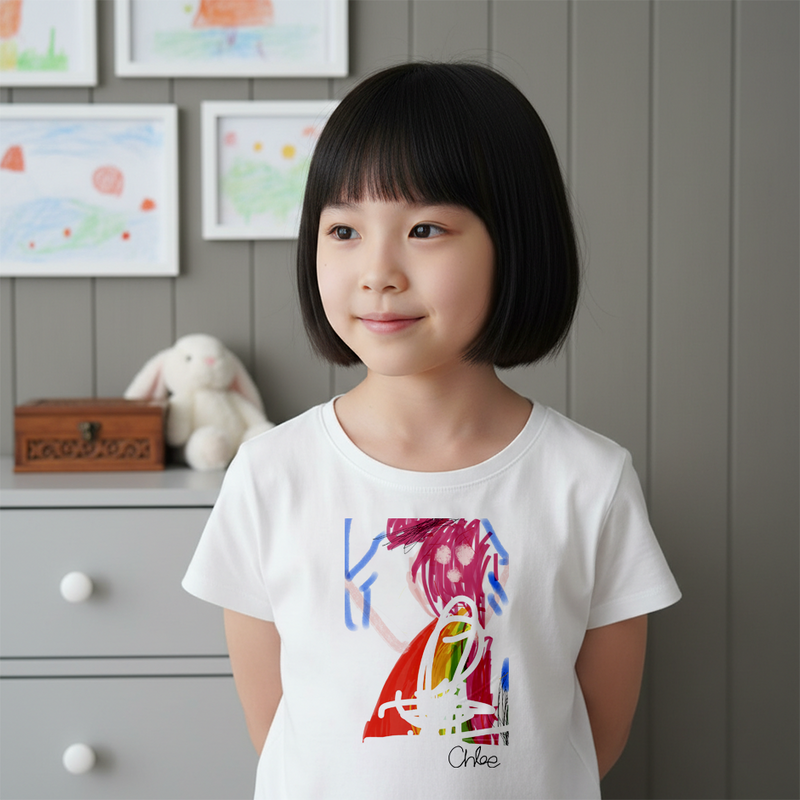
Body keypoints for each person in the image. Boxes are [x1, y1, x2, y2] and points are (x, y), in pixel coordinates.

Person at [182, 61, 681, 799]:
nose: (377, 271)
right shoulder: (270, 474)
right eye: (344, 229)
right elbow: (280, 727)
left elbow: (588, 738)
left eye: (424, 229)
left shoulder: (589, 481)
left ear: (516, 243)